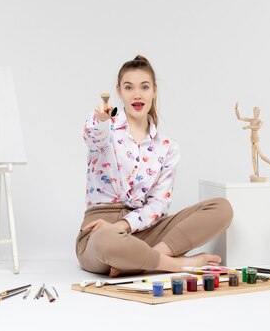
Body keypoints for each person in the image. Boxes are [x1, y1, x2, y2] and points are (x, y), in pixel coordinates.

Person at [76, 55, 233, 277]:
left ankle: (145, 258)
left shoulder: (167, 147)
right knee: (106, 241)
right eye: (129, 87)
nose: (137, 94)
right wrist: (101, 120)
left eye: (144, 87)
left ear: (154, 90)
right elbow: (93, 138)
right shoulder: (105, 127)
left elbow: (158, 204)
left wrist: (124, 226)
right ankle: (176, 264)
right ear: (119, 91)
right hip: (100, 230)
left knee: (222, 208)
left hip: (145, 230)